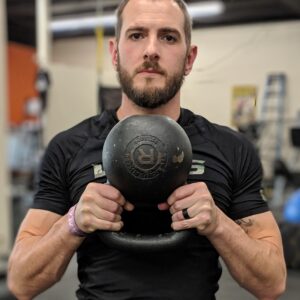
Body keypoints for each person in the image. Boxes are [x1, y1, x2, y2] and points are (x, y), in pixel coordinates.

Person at [8, 0, 286, 299]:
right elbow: (21, 282)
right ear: (114, 53)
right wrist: (73, 222)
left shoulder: (231, 148)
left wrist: (219, 224)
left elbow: (272, 283)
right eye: (137, 35)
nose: (151, 50)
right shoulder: (68, 148)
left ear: (189, 58)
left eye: (168, 37)